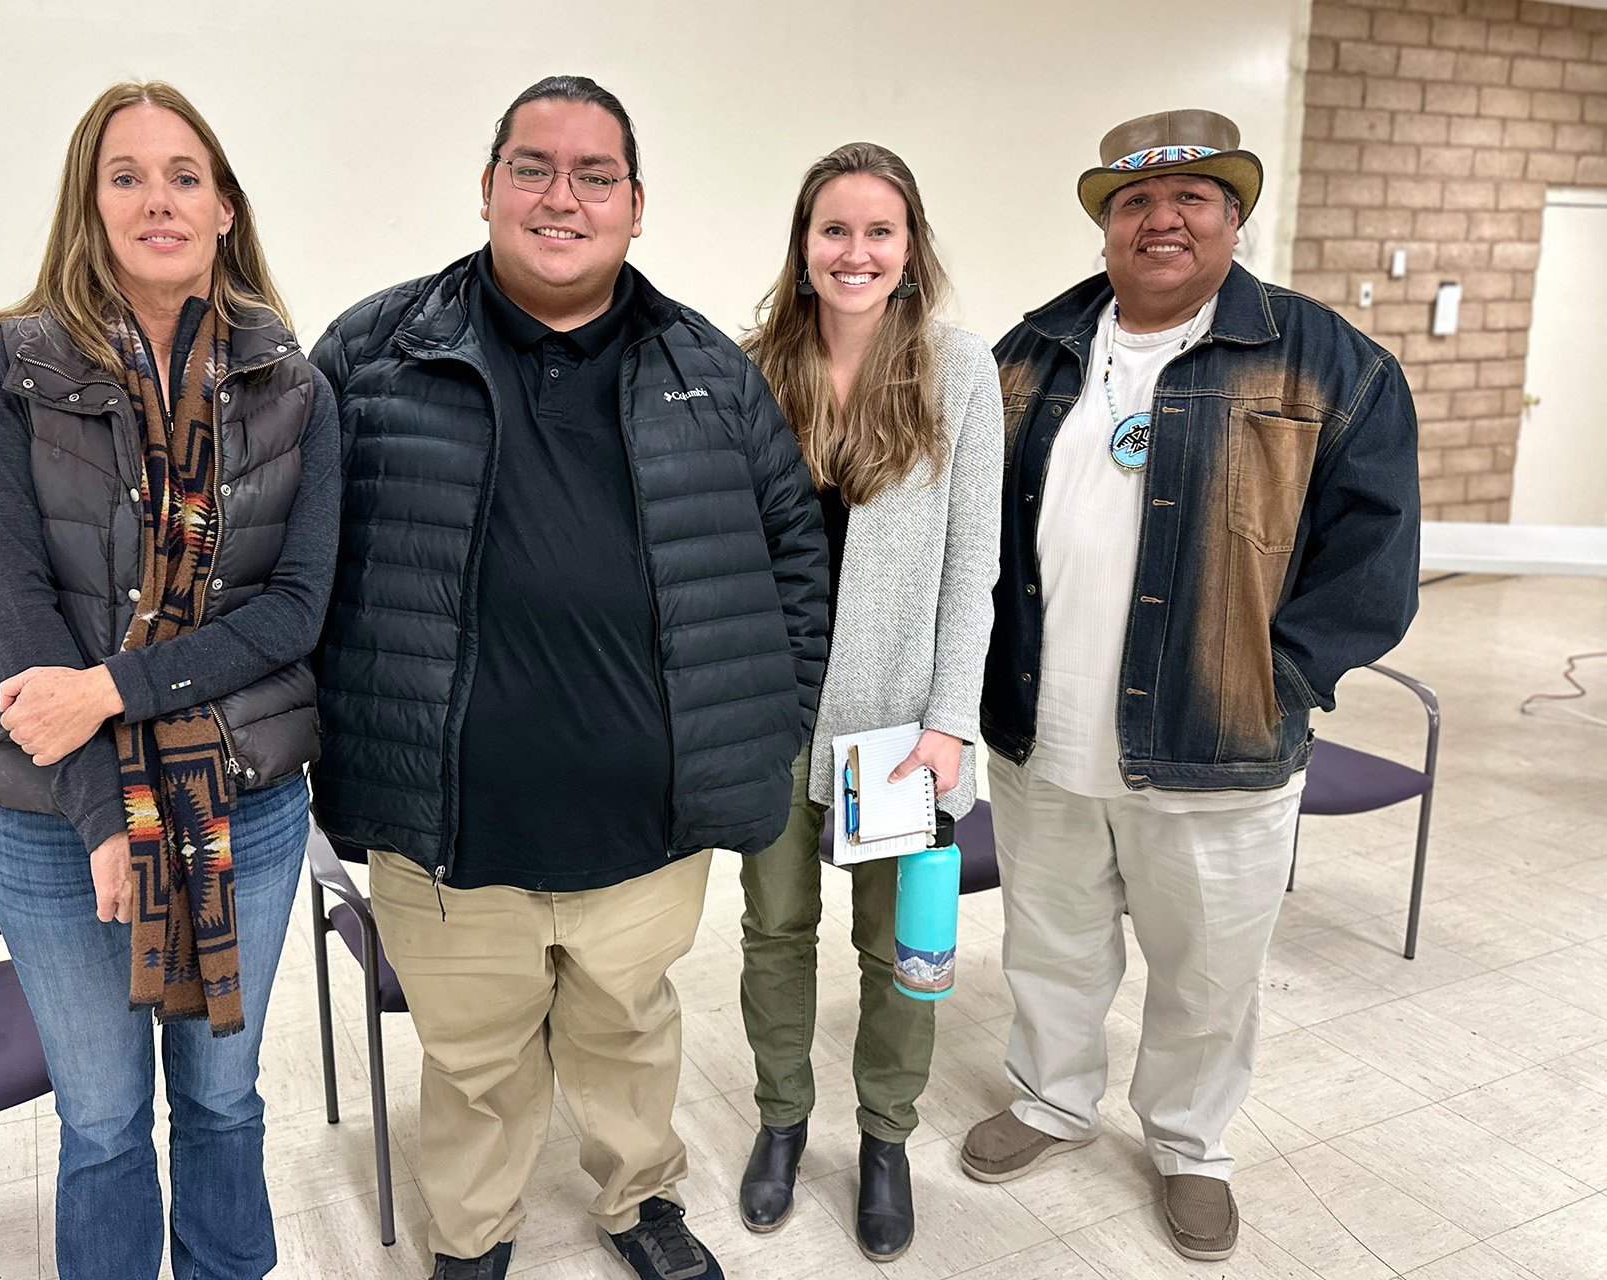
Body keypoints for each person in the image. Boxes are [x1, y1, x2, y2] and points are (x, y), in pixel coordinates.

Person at [308, 75, 826, 1280]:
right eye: (533, 167)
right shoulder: (374, 354)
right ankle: (474, 1235)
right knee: (474, 1059)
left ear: (636, 205)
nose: (563, 196)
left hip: (645, 827)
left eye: (596, 175)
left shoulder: (707, 367)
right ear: (488, 186)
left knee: (630, 1029)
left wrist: (764, 729)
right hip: (447, 828)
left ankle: (638, 1197)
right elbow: (299, 566)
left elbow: (792, 557)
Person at [962, 109, 1420, 1261]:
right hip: (1041, 725)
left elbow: (1375, 551)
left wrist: (1284, 673)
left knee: (1208, 965)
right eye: (1134, 203)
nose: (1161, 219)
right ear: (1107, 223)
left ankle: (1188, 1143)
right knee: (1052, 939)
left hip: (1218, 736)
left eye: (1193, 199)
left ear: (1232, 217)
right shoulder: (1029, 351)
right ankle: (1054, 1096)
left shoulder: (1328, 362)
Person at [0, 80, 338, 1280]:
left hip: (243, 804)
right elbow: (15, 611)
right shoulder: (12, 371)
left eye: (185, 175)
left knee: (224, 1101)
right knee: (106, 1120)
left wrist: (117, 689)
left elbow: (293, 611)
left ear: (225, 207)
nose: (158, 198)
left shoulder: (296, 385)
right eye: (127, 174)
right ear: (91, 202)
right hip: (52, 815)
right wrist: (102, 812)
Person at [733, 142, 1001, 1262]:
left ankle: (885, 1136)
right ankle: (784, 1119)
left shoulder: (959, 368)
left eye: (878, 231)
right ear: (803, 247)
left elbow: (973, 563)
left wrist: (950, 722)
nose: (856, 251)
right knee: (774, 930)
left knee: (899, 949)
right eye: (833, 230)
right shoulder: (753, 367)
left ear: (910, 246)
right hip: (775, 713)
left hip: (901, 725)